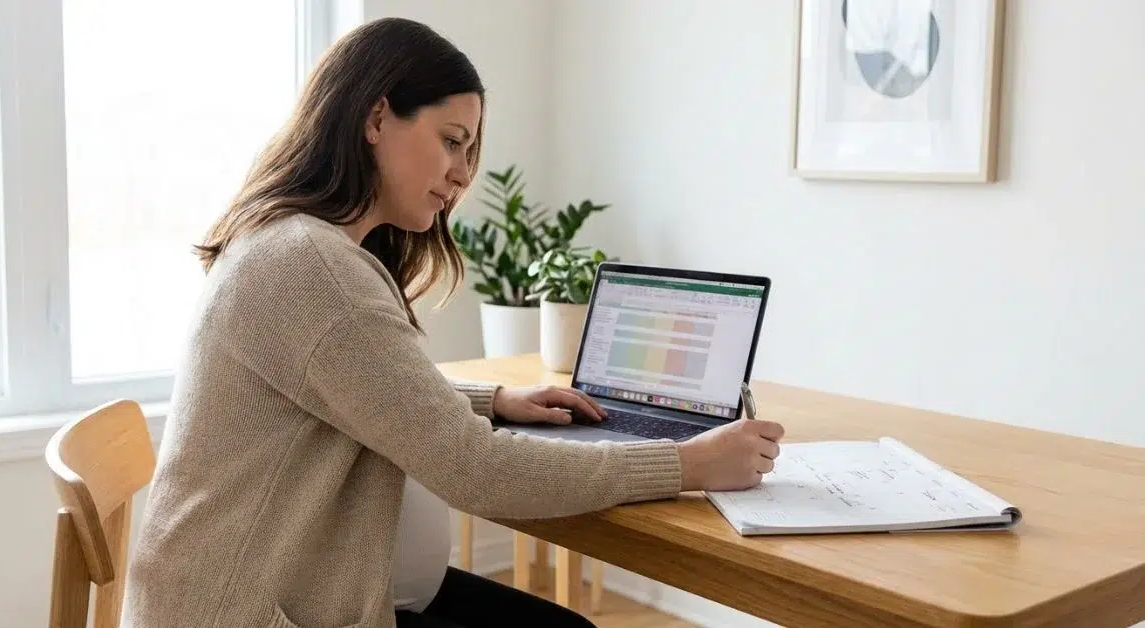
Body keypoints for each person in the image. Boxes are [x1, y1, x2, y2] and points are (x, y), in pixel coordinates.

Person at [123, 16, 784, 628]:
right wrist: (685, 463)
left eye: (469, 152)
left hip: (282, 592)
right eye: (451, 142)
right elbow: (477, 471)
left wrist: (492, 400)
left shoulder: (292, 244)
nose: (463, 175)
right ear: (377, 117)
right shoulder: (314, 269)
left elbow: (364, 389)